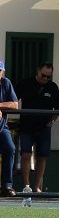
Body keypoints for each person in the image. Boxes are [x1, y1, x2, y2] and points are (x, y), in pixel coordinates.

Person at [15, 62, 59, 194]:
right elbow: (13, 100)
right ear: (38, 71)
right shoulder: (25, 83)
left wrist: (51, 122)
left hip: (44, 127)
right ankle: (26, 185)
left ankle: (37, 186)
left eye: (48, 77)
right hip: (27, 126)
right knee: (25, 154)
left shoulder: (53, 87)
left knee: (42, 157)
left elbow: (58, 108)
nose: (45, 79)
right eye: (43, 75)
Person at [0, 62, 17, 197]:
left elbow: (14, 104)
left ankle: (7, 185)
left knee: (10, 147)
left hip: (1, 127)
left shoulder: (6, 83)